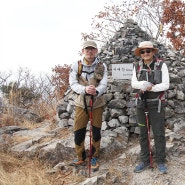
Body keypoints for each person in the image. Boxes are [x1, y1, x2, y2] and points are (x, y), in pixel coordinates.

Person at [131, 41, 170, 174]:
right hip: (141, 104)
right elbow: (133, 83)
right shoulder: (136, 66)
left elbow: (165, 85)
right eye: (142, 51)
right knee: (143, 133)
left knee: (159, 133)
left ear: (153, 52)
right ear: (140, 53)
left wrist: (151, 87)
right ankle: (145, 160)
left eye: (148, 51)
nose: (145, 53)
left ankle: (160, 160)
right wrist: (143, 83)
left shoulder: (161, 65)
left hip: (156, 103)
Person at [69, 40, 107, 171]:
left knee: (95, 131)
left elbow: (104, 84)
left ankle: (94, 156)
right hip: (81, 102)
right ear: (83, 51)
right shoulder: (76, 66)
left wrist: (96, 91)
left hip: (97, 102)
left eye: (92, 49)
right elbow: (73, 83)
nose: (89, 51)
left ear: (96, 51)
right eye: (87, 49)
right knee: (79, 130)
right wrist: (84, 90)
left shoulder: (101, 66)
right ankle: (80, 156)